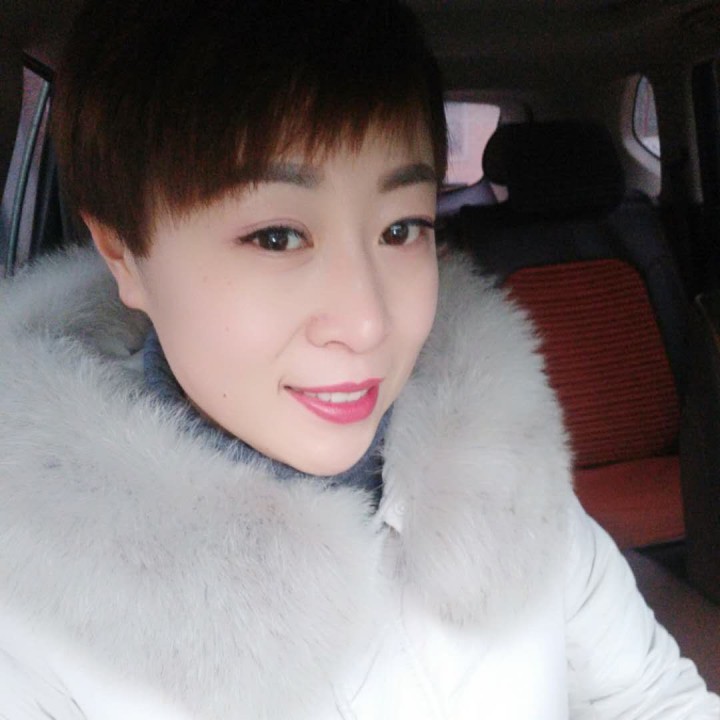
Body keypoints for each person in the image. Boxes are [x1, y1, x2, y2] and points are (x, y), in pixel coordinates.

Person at [0, 0, 717, 718]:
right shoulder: (33, 610)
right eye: (278, 237)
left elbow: (650, 697)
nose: (368, 322)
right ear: (123, 252)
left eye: (401, 229)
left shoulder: (501, 473)